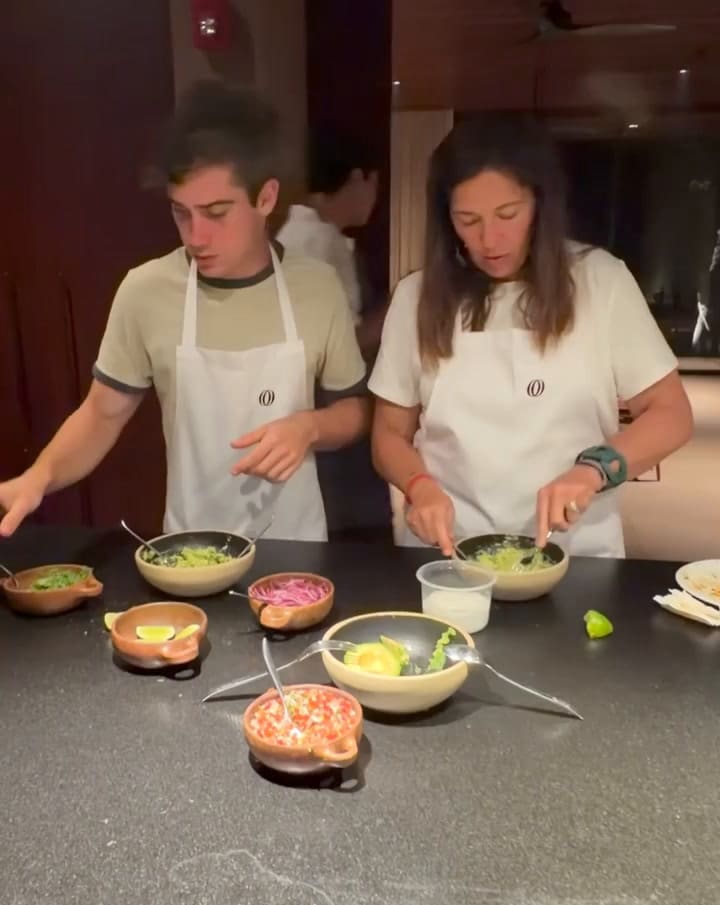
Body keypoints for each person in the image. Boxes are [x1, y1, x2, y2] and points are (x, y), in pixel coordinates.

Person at [0, 83, 369, 541]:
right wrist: (40, 476)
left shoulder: (315, 286)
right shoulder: (147, 291)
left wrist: (309, 427)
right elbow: (102, 413)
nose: (196, 236)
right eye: (182, 213)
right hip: (191, 553)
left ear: (266, 197)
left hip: (295, 552)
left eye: (217, 212)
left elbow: (353, 410)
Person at [369, 114, 693, 558]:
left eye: (508, 214)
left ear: (541, 203)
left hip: (576, 550)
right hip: (447, 550)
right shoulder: (416, 297)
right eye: (468, 220)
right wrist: (419, 485)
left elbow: (671, 414)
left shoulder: (601, 281)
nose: (489, 238)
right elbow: (389, 432)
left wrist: (593, 471)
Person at [277, 128, 384, 357]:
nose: (375, 197)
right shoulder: (319, 241)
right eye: (375, 183)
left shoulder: (301, 234)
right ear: (357, 179)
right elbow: (339, 348)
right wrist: (399, 306)